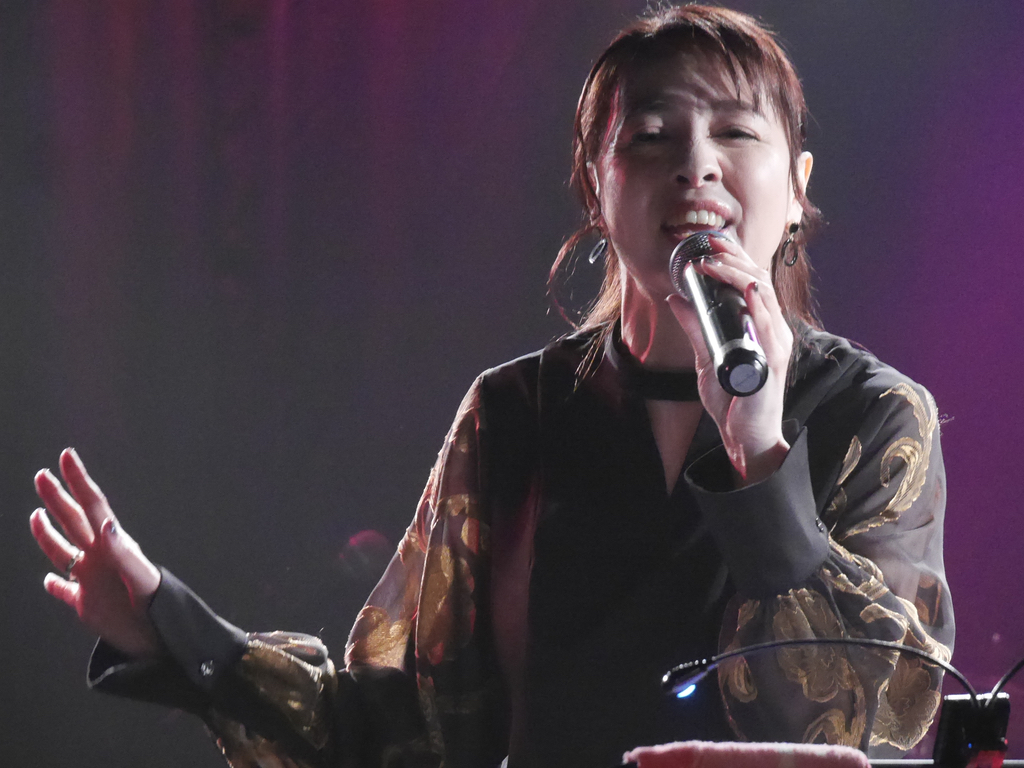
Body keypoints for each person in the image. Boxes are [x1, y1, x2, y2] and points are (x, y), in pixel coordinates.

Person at [29, 5, 953, 768]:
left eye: (737, 132)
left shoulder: (874, 417)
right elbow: (399, 732)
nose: (697, 163)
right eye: (651, 134)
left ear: (796, 190)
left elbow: (870, 721)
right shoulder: (517, 416)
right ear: (595, 187)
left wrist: (761, 455)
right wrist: (167, 623)